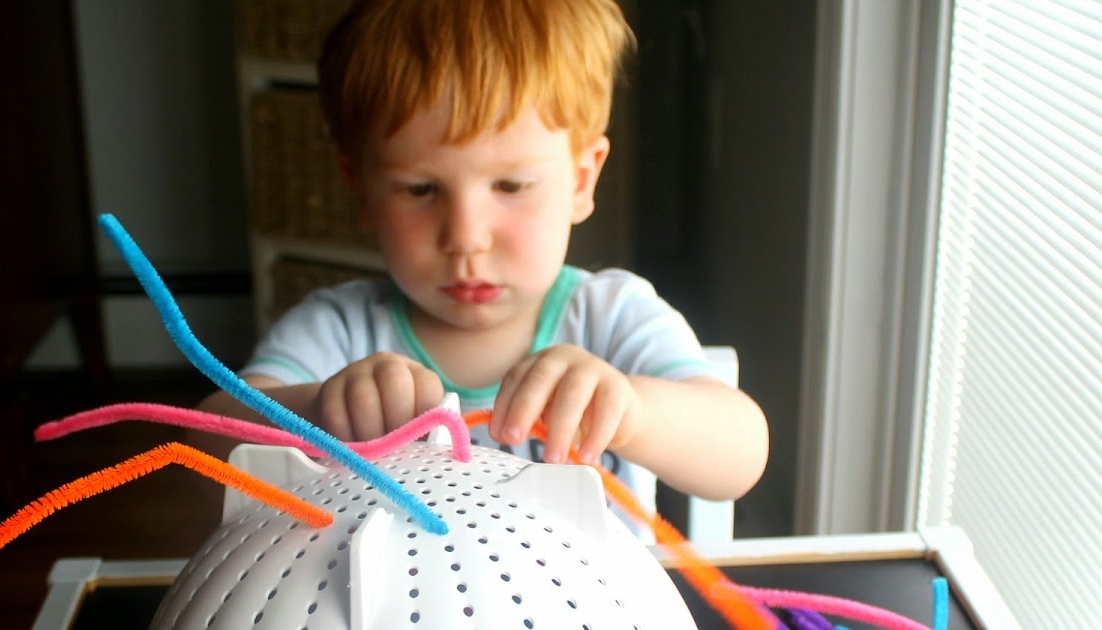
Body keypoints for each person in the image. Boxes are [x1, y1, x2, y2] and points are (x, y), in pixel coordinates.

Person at [197, 0, 768, 532]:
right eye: (420, 189)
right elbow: (200, 454)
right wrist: (316, 411)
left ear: (582, 180)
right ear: (363, 192)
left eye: (511, 185)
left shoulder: (611, 316)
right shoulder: (339, 330)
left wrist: (633, 411)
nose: (466, 237)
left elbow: (740, 454)